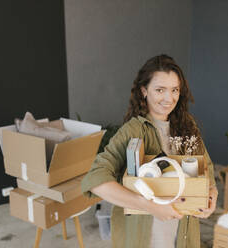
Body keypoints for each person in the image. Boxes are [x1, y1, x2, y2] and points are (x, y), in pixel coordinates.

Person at [81, 54, 218, 248]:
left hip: (183, 234)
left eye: (174, 90)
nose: (169, 99)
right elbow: (95, 180)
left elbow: (208, 172)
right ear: (144, 91)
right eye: (160, 90)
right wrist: (149, 206)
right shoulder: (133, 130)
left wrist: (211, 196)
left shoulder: (188, 126)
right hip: (148, 236)